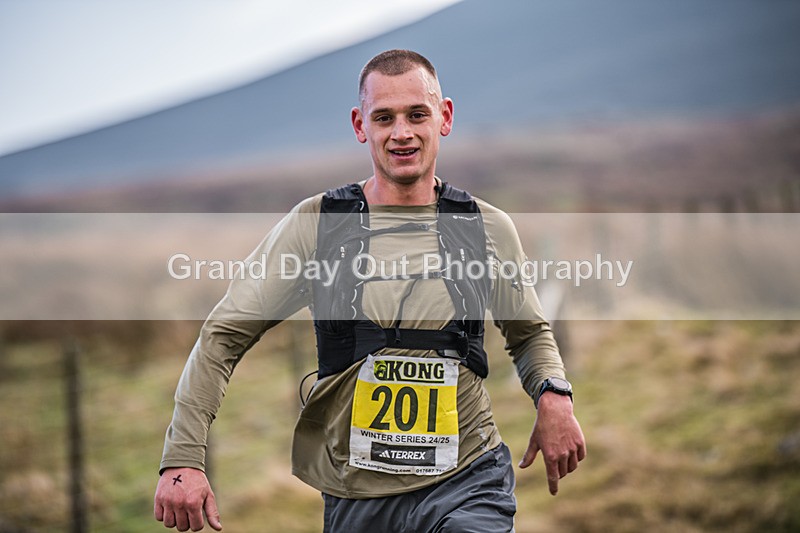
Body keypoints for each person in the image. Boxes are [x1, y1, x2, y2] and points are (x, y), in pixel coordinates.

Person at [154, 49, 585, 532]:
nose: (401, 132)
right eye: (384, 118)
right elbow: (223, 335)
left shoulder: (486, 228)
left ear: (443, 117)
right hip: (357, 493)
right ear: (361, 125)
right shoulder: (317, 226)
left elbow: (528, 334)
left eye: (416, 114)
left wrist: (554, 396)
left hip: (467, 478)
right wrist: (184, 457)